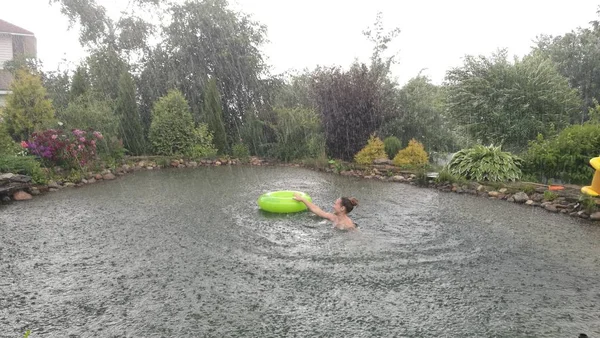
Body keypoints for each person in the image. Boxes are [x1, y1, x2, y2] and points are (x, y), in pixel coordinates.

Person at [293, 193, 359, 230]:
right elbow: (317, 210)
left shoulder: (348, 225)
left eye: (335, 204)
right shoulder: (334, 217)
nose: (333, 206)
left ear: (342, 208)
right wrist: (302, 199)